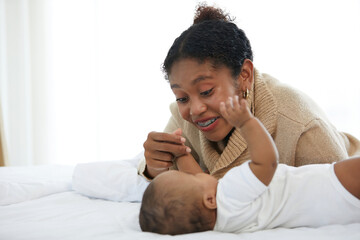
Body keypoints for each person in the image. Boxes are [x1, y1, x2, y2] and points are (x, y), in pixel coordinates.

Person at [138, 4, 360, 180]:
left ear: (244, 75)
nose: (195, 110)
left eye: (206, 91)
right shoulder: (183, 118)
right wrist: (154, 166)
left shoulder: (300, 126)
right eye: (182, 98)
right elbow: (163, 172)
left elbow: (341, 194)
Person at [139, 96, 360, 235]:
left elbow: (195, 180)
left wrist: (179, 154)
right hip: (331, 187)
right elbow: (267, 161)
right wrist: (247, 122)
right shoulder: (232, 193)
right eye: (194, 177)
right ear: (209, 200)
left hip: (329, 206)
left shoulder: (222, 219)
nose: (200, 172)